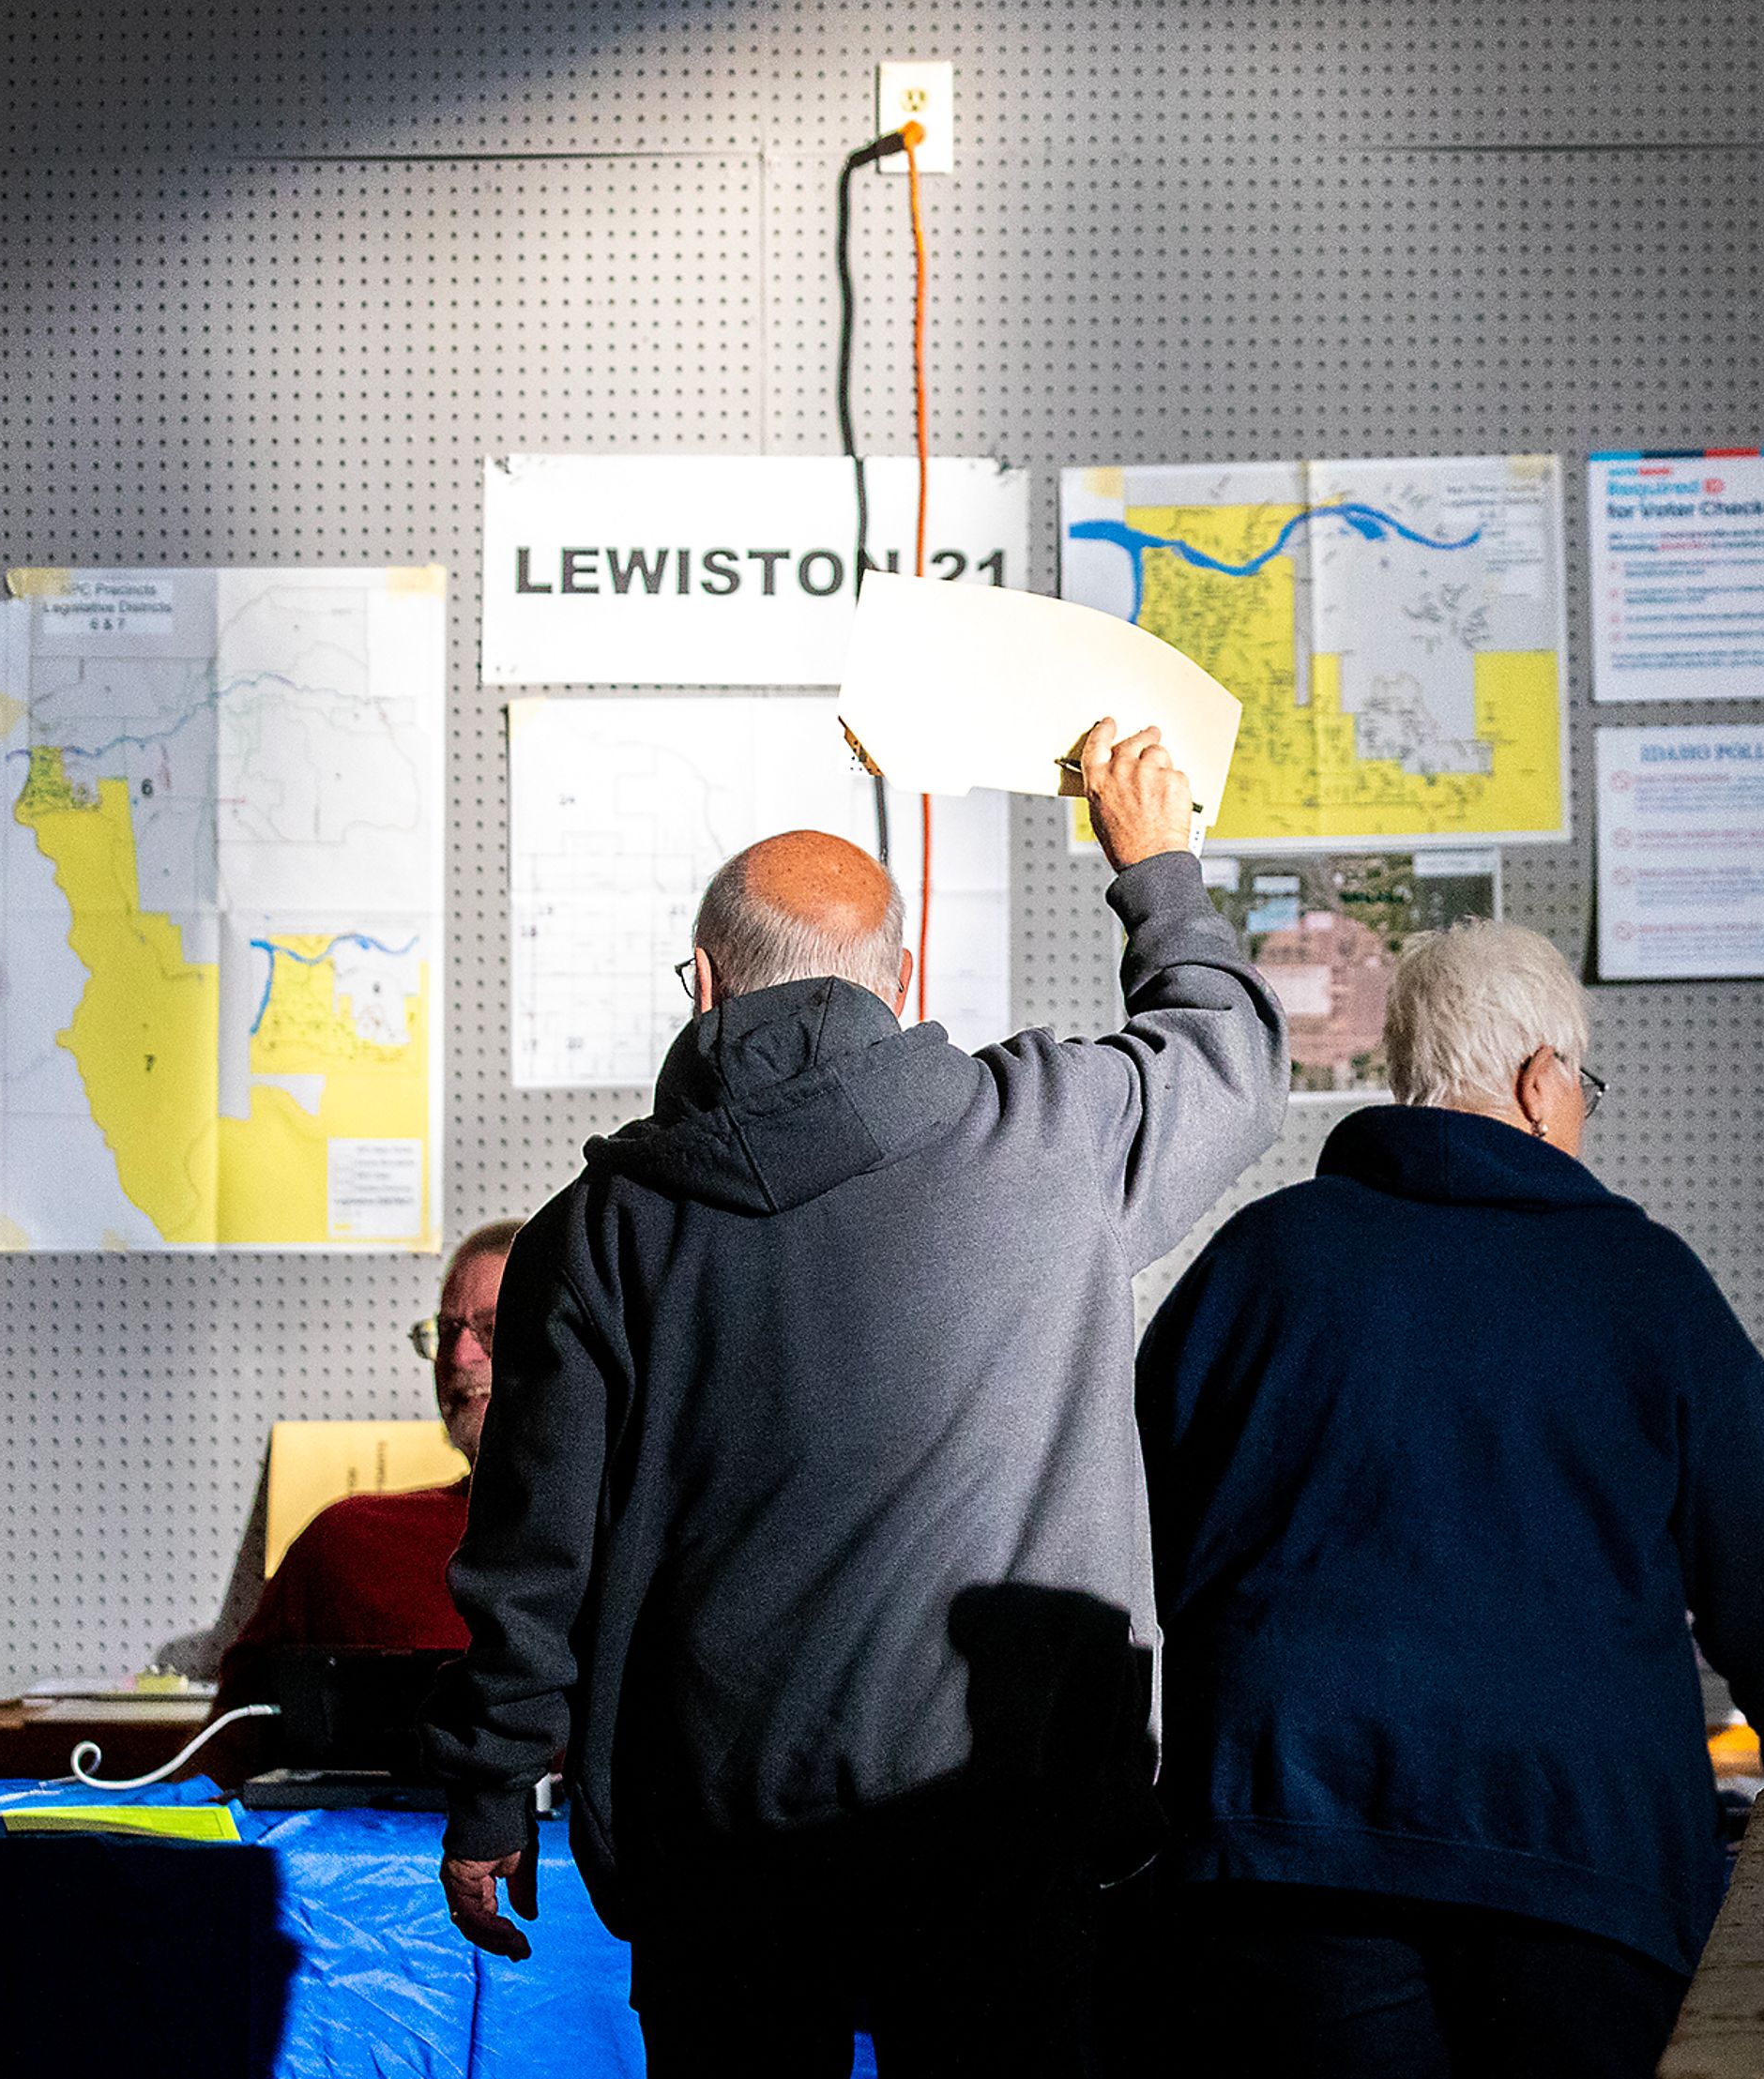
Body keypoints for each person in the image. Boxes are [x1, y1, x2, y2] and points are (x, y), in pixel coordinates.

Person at [428, 718, 1287, 2075]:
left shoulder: (596, 1229)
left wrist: (489, 1790)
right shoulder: (1052, 1136)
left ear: (703, 984)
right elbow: (1227, 1057)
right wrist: (1156, 865)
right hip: (1012, 1840)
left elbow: (535, 1554)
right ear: (903, 981)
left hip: (720, 1858)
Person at [1134, 918, 1764, 2079]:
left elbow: (1137, 1537)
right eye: (1582, 1084)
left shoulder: (1257, 1261)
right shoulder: (1644, 1284)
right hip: (1575, 1857)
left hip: (1285, 1846)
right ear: (1537, 1079)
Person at [218, 1217, 522, 1671]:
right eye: (448, 1330)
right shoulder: (349, 1545)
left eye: (492, 1330)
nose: (459, 1357)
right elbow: (242, 1728)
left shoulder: (639, 1545)